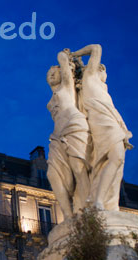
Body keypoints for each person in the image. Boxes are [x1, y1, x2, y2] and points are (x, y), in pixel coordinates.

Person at [72, 44, 132, 211]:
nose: (106, 74)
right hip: (104, 125)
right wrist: (75, 55)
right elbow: (96, 48)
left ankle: (104, 201)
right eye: (104, 70)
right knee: (116, 158)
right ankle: (98, 200)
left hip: (109, 125)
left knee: (113, 163)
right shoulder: (90, 77)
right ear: (98, 69)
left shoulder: (99, 87)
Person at [46, 50, 90, 219]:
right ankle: (68, 216)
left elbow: (64, 63)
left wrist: (65, 57)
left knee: (79, 169)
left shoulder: (67, 87)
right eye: (48, 74)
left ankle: (89, 211)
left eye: (54, 72)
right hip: (57, 135)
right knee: (51, 173)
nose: (50, 75)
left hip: (74, 126)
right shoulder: (53, 95)